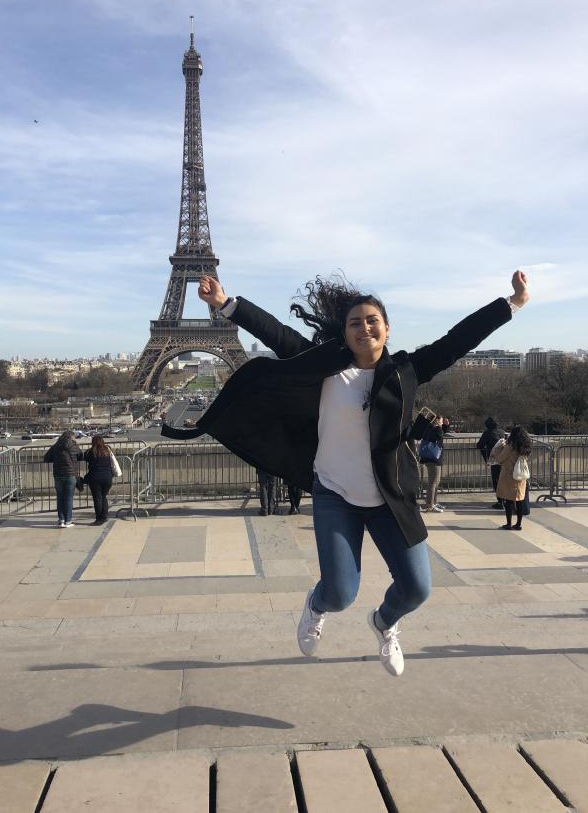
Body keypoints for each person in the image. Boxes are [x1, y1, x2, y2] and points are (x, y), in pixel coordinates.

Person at [162, 270, 529, 677]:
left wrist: (510, 304)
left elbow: (457, 341)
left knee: (417, 589)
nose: (364, 327)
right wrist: (226, 304)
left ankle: (385, 621)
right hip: (335, 494)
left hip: (390, 496)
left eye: (372, 320)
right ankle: (316, 606)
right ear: (345, 331)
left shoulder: (407, 370)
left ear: (387, 329)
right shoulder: (323, 366)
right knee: (339, 594)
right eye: (355, 322)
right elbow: (278, 335)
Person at [496, 425, 532, 530]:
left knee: (509, 500)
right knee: (519, 500)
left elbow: (500, 459)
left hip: (509, 475)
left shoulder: (510, 446)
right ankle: (518, 524)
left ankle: (508, 523)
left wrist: (500, 448)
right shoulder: (525, 447)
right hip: (521, 475)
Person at [44, 431, 81, 528]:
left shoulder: (56, 446)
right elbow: (80, 455)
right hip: (70, 475)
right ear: (71, 437)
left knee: (60, 498)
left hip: (58, 475)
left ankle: (61, 520)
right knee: (68, 498)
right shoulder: (72, 445)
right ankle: (68, 521)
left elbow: (46, 458)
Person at [84, 435, 117, 525]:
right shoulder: (107, 450)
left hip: (95, 478)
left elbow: (85, 457)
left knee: (97, 498)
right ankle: (105, 516)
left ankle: (99, 518)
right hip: (107, 477)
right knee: (103, 496)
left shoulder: (91, 452)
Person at [476, 417, 505, 507]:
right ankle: (506, 500)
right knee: (504, 481)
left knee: (496, 480)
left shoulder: (487, 433)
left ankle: (500, 501)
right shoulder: (502, 432)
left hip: (494, 460)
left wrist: (485, 456)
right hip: (504, 459)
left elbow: (480, 445)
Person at [419, 416, 445, 513]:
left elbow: (440, 436)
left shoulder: (431, 428)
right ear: (437, 421)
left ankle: (434, 502)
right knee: (432, 482)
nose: (442, 423)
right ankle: (429, 505)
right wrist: (438, 426)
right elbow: (439, 436)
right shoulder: (432, 429)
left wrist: (444, 426)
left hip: (434, 459)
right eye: (441, 421)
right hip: (432, 459)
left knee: (436, 482)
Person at [487, 435, 506, 509]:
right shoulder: (511, 443)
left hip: (496, 464)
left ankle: (500, 502)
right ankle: (504, 500)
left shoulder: (501, 442)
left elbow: (494, 453)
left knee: (497, 483)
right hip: (505, 465)